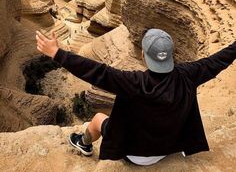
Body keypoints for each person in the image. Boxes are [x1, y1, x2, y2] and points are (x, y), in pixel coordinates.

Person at [36, 29, 236, 166]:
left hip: (135, 155)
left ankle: (84, 144)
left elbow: (97, 72)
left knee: (98, 119)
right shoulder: (189, 74)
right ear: (170, 55)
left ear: (143, 54)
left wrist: (56, 53)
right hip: (169, 147)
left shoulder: (134, 82)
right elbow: (217, 61)